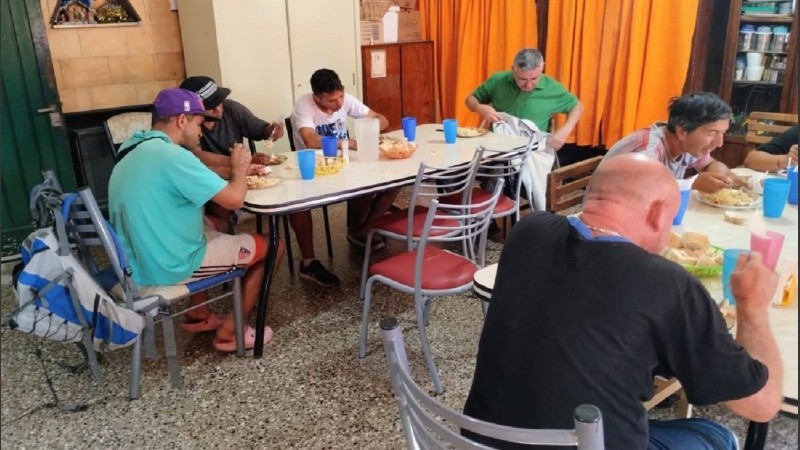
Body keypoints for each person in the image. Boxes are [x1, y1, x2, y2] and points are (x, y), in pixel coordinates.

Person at [463, 153, 783, 449]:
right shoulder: (669, 284)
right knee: (715, 435)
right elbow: (761, 405)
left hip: (482, 439)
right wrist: (751, 305)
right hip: (582, 441)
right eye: (671, 219)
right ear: (658, 213)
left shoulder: (528, 231)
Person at [108, 88, 285, 352]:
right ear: (182, 120)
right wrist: (238, 167)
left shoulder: (133, 148)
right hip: (169, 264)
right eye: (199, 123)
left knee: (221, 224)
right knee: (274, 246)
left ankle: (198, 314)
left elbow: (198, 179)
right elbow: (235, 199)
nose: (202, 131)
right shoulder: (174, 156)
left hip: (134, 257)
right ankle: (231, 330)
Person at [288, 68, 398, 286]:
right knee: (298, 205)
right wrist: (349, 143)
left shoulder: (345, 100)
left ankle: (361, 230)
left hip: (345, 164)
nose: (338, 104)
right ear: (316, 97)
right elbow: (310, 140)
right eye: (331, 101)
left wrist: (370, 125)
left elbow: (381, 119)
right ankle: (309, 263)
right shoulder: (303, 105)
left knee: (392, 183)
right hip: (315, 168)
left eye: (340, 96)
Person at [179, 75, 284, 231]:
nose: (219, 109)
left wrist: (272, 131)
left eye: (219, 102)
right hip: (208, 180)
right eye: (211, 106)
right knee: (219, 206)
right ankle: (227, 239)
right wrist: (238, 162)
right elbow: (197, 155)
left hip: (239, 174)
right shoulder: (188, 126)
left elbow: (262, 130)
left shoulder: (232, 109)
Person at [603, 91, 748, 193]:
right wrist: (693, 183)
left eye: (722, 133)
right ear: (682, 132)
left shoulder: (687, 144)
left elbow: (709, 164)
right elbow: (642, 189)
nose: (719, 143)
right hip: (607, 223)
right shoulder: (650, 149)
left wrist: (724, 176)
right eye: (712, 133)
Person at [465, 48, 583, 151]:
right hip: (496, 147)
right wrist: (479, 107)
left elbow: (577, 107)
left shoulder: (553, 88)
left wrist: (564, 132)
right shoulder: (498, 80)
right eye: (522, 79)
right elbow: (470, 100)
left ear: (542, 68)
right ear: (513, 69)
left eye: (534, 78)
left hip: (532, 149)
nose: (528, 85)